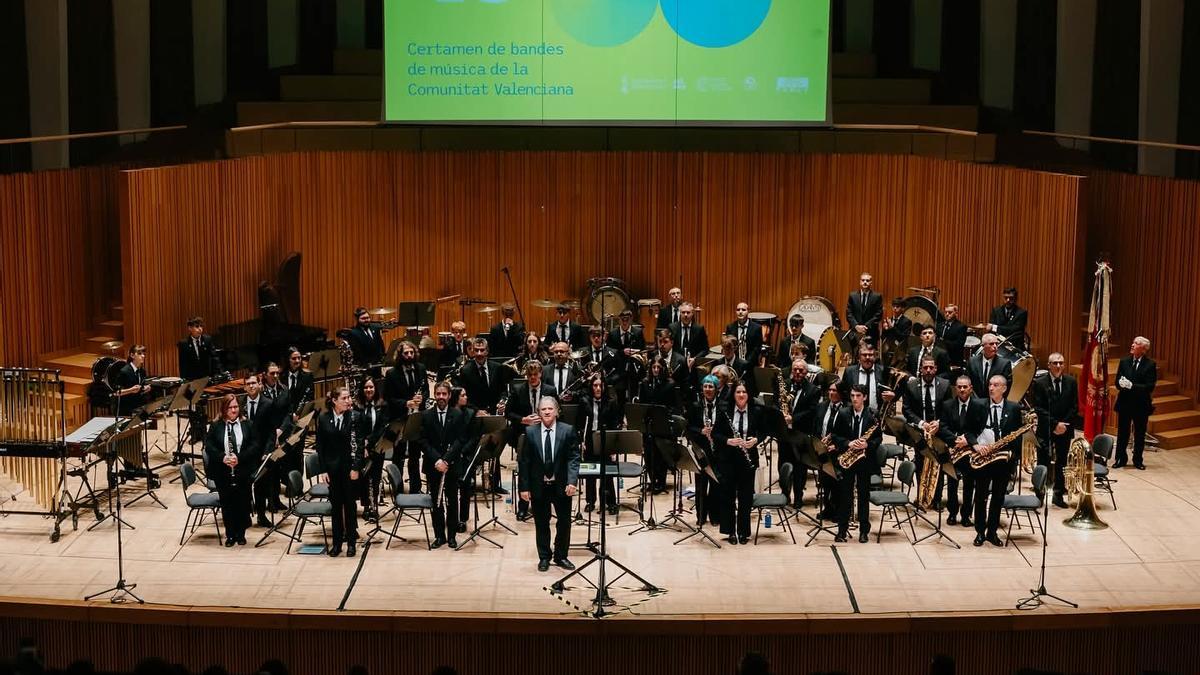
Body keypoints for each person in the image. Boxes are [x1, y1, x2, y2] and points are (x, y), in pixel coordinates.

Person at [518, 397, 580, 572]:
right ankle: (544, 556)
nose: (546, 412)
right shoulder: (530, 432)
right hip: (539, 485)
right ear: (538, 412)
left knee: (564, 522)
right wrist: (524, 487)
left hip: (561, 484)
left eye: (550, 409)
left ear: (557, 411)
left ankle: (561, 556)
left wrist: (572, 481)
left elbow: (574, 458)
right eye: (543, 409)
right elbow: (524, 462)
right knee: (542, 522)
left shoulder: (567, 431)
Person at [971, 375, 1023, 547]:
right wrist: (976, 445)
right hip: (984, 457)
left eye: (996, 385)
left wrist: (1012, 456)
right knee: (980, 496)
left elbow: (1017, 436)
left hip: (1003, 460)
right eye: (990, 385)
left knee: (998, 498)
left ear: (1004, 388)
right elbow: (968, 430)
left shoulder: (1014, 408)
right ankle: (979, 531)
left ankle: (992, 532)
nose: (991, 388)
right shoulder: (978, 405)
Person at [504, 361, 559, 520]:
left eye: (535, 374)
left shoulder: (550, 390)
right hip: (524, 436)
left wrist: (545, 419)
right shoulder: (517, 389)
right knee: (524, 469)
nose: (533, 378)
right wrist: (523, 419)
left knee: (544, 468)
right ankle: (523, 506)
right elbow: (508, 413)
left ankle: (542, 504)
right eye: (530, 375)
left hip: (545, 434)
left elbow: (558, 411)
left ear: (541, 374)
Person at [204, 394, 258, 547]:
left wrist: (239, 458)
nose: (234, 410)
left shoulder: (247, 424)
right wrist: (223, 457)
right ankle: (230, 535)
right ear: (224, 409)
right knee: (227, 504)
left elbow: (254, 446)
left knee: (242, 503)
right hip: (223, 472)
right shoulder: (216, 426)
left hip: (242, 471)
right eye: (230, 407)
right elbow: (209, 447)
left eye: (236, 407)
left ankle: (241, 534)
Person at [315, 387, 363, 557]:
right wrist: (323, 470)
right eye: (344, 398)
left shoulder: (355, 417)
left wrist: (356, 467)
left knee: (350, 507)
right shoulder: (323, 418)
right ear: (334, 400)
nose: (348, 400)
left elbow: (359, 446)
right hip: (332, 470)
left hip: (349, 470)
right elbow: (320, 447)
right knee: (336, 508)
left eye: (349, 397)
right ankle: (336, 544)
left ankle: (351, 544)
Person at [713, 382, 763, 545]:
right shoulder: (725, 412)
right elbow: (715, 434)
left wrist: (756, 440)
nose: (741, 395)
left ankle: (743, 532)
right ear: (733, 395)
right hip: (728, 459)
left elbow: (764, 431)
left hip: (748, 460)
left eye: (744, 392)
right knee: (728, 496)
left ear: (748, 395)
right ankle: (730, 531)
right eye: (738, 392)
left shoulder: (756, 411)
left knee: (745, 497)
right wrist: (729, 441)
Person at [831, 384, 881, 543]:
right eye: (852, 395)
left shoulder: (872, 415)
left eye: (858, 396)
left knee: (863, 496)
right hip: (848, 459)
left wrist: (868, 445)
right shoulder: (843, 413)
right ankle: (842, 530)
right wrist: (848, 443)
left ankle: (864, 531)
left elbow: (878, 438)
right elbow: (835, 435)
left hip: (865, 461)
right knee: (845, 496)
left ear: (865, 397)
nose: (854, 399)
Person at [420, 382, 465, 549]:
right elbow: (423, 441)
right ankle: (440, 536)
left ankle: (452, 535)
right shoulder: (426, 415)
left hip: (451, 465)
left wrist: (446, 460)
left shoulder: (458, 414)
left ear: (449, 395)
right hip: (434, 465)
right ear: (434, 394)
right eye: (438, 394)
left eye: (444, 394)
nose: (440, 397)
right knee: (436, 503)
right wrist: (437, 460)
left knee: (452, 501)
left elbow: (460, 440)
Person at [902, 356, 951, 509]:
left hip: (939, 431)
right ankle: (921, 496)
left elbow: (949, 409)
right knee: (920, 463)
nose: (928, 370)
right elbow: (906, 409)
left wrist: (939, 423)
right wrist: (921, 423)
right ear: (920, 369)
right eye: (925, 367)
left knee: (939, 465)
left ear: (936, 368)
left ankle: (936, 499)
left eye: (931, 367)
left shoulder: (945, 385)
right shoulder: (911, 386)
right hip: (920, 431)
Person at [1031, 353, 1078, 506]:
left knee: (1062, 462)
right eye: (1055, 363)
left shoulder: (1071, 382)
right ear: (1049, 365)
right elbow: (1039, 408)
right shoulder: (1040, 383)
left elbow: (1074, 407)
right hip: (1046, 428)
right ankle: (1040, 493)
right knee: (1043, 461)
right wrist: (1055, 424)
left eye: (1061, 363)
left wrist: (1062, 425)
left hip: (1065, 429)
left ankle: (1058, 494)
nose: (1058, 366)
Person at [243, 372, 289, 526]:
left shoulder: (268, 404)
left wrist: (267, 451)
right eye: (248, 383)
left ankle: (262, 515)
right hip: (245, 452)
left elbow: (272, 431)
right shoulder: (240, 404)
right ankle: (247, 514)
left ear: (259, 384)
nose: (251, 386)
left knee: (261, 485)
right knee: (244, 484)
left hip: (262, 452)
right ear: (244, 387)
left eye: (253, 383)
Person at [938, 374, 983, 527]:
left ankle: (966, 515)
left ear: (971, 388)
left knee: (969, 485)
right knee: (952, 483)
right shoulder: (947, 405)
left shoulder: (979, 406)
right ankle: (952, 513)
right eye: (959, 387)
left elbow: (981, 429)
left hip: (970, 452)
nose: (962, 389)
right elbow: (942, 427)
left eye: (965, 387)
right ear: (955, 389)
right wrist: (954, 440)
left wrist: (968, 441)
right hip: (953, 450)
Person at [382, 340, 428, 493]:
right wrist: (406, 403)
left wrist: (422, 399)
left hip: (416, 418)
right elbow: (388, 398)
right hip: (399, 418)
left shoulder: (421, 368)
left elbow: (426, 390)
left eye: (411, 352)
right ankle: (398, 488)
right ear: (400, 355)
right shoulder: (392, 373)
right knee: (399, 455)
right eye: (406, 353)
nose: (409, 355)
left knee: (415, 454)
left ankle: (416, 488)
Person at [578, 375, 622, 515]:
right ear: (591, 387)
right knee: (590, 472)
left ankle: (610, 502)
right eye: (595, 385)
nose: (597, 388)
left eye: (600, 386)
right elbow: (579, 424)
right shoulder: (584, 401)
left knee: (607, 473)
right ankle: (590, 501)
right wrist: (581, 441)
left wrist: (613, 448)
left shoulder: (611, 402)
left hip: (605, 438)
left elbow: (615, 425)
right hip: (590, 439)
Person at [779, 358, 820, 508]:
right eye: (795, 369)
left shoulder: (813, 390)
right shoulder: (786, 386)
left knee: (799, 468)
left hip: (801, 434)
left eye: (801, 370)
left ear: (806, 372)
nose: (797, 372)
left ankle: (798, 498)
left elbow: (812, 411)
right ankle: (784, 496)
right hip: (784, 434)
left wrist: (793, 419)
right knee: (783, 464)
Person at [638, 358, 682, 494]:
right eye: (653, 367)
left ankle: (661, 482)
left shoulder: (670, 384)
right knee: (649, 452)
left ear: (663, 368)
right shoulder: (645, 383)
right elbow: (642, 404)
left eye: (658, 367)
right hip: (650, 424)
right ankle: (653, 480)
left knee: (660, 454)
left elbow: (676, 406)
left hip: (664, 425)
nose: (656, 370)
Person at [1113, 336, 1157, 470]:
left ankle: (1138, 460)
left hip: (1141, 405)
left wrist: (1132, 386)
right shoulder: (1124, 361)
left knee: (1139, 434)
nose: (1132, 345)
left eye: (1136, 344)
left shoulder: (1150, 365)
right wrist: (1120, 385)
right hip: (1125, 403)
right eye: (1133, 342)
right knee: (1122, 433)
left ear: (1143, 350)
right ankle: (1120, 458)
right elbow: (1117, 382)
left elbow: (1149, 387)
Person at [356, 376, 390, 520]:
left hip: (377, 447)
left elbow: (382, 427)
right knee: (364, 478)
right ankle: (365, 507)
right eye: (366, 387)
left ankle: (374, 507)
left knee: (375, 478)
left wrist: (370, 441)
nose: (368, 390)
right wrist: (362, 445)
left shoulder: (382, 405)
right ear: (362, 390)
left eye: (371, 387)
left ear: (375, 389)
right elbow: (356, 428)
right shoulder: (357, 406)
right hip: (362, 448)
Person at [841, 344, 895, 413]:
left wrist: (893, 395)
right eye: (864, 355)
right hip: (853, 414)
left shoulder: (883, 371)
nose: (867, 357)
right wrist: (850, 408)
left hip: (875, 415)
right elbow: (843, 393)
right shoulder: (849, 371)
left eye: (870, 355)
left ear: (875, 357)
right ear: (859, 357)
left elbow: (894, 389)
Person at [608, 308, 646, 403]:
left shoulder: (638, 332)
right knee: (619, 392)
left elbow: (643, 349)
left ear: (631, 319)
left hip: (633, 368)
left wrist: (635, 352)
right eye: (622, 319)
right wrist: (622, 352)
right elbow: (609, 352)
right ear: (619, 320)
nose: (625, 322)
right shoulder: (613, 333)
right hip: (618, 368)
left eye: (627, 319)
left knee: (634, 390)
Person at [845, 272, 883, 348]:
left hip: (871, 333)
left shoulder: (877, 296)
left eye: (867, 280)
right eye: (863, 280)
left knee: (870, 358)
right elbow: (849, 313)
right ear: (860, 282)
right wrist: (856, 326)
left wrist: (865, 327)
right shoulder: (852, 296)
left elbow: (878, 314)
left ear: (871, 283)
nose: (865, 282)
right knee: (854, 358)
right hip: (855, 333)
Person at [987, 287, 1029, 351]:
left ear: (1016, 298)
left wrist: (994, 327)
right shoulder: (996, 311)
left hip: (1015, 346)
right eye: (1006, 298)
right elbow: (991, 330)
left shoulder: (1022, 313)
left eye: (1011, 298)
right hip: (998, 345)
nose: (1008, 300)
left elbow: (1014, 330)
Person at [178, 316, 219, 381]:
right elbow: (183, 364)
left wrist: (216, 375)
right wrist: (184, 380)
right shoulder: (183, 343)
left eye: (201, 326)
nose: (200, 329)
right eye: (197, 326)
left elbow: (214, 358)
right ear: (190, 328)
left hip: (207, 377)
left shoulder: (207, 340)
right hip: (192, 379)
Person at [670, 302, 709, 368]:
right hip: (676, 365)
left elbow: (705, 349)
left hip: (694, 365)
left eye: (688, 312)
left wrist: (695, 358)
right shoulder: (672, 328)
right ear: (680, 313)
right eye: (683, 312)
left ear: (692, 314)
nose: (685, 315)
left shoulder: (699, 329)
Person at [113, 344, 150, 416]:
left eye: (143, 354)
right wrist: (131, 390)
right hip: (125, 409)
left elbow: (139, 389)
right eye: (139, 354)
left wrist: (145, 389)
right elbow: (116, 392)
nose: (143, 356)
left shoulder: (142, 371)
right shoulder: (124, 371)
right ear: (132, 355)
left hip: (138, 407)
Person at [880, 298, 913, 368]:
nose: (895, 308)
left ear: (903, 308)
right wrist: (885, 329)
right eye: (893, 306)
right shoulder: (889, 320)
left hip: (900, 353)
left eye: (897, 307)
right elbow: (882, 337)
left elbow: (903, 338)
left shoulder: (907, 322)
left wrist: (892, 328)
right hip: (887, 352)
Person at [938, 304, 968, 368]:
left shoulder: (961, 327)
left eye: (950, 312)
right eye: (945, 312)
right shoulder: (940, 325)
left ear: (956, 313)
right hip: (940, 358)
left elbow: (959, 345)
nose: (947, 314)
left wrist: (943, 342)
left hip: (953, 359)